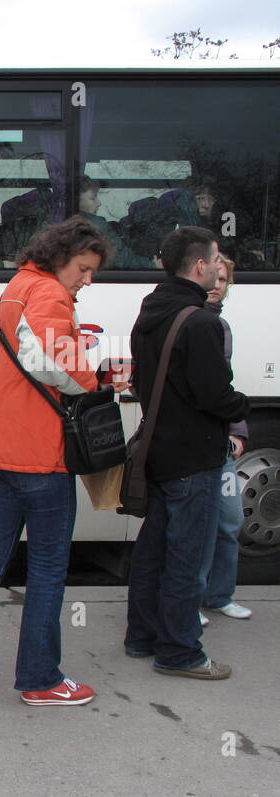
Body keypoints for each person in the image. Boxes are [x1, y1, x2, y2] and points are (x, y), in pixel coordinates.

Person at [0, 217, 116, 706]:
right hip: (40, 455)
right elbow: (54, 364)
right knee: (48, 568)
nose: (86, 280)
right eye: (83, 268)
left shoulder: (15, 286)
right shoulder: (50, 295)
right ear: (61, 257)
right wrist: (98, 381)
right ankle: (40, 679)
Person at [125, 227, 250, 679]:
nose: (220, 267)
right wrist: (242, 405)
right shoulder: (201, 322)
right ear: (199, 266)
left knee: (152, 551)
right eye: (216, 259)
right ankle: (180, 652)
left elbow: (142, 382)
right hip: (193, 458)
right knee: (187, 556)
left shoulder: (151, 311)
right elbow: (215, 397)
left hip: (157, 453)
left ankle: (140, 637)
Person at [200, 257, 251, 621]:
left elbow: (224, 384)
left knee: (229, 521)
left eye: (224, 279)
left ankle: (218, 595)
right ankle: (190, 597)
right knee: (194, 527)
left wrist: (237, 431)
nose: (218, 284)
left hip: (220, 443)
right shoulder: (190, 321)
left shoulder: (222, 326)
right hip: (194, 443)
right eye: (213, 277)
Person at [79, 178, 151, 269]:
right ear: (77, 202)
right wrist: (153, 266)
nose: (99, 203)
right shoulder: (96, 226)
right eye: (93, 198)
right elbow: (122, 260)